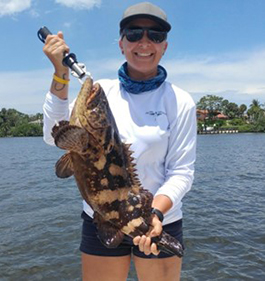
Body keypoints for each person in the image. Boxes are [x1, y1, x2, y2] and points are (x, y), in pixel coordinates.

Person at [42, 2, 196, 281]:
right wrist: (60, 72)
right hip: (100, 216)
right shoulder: (104, 91)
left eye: (156, 35)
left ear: (165, 46)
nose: (144, 42)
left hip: (160, 221)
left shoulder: (180, 101)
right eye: (134, 33)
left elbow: (182, 172)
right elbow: (53, 135)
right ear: (121, 44)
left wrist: (155, 216)